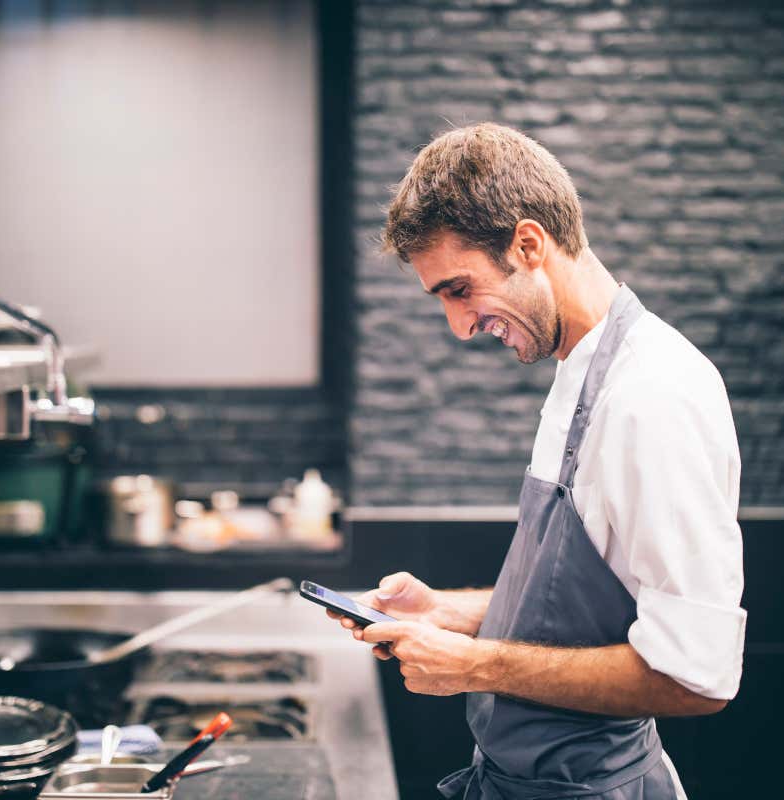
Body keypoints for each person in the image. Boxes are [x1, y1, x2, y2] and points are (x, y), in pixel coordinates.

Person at [327, 123, 746, 799]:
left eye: (460, 291)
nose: (459, 327)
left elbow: (697, 676)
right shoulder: (578, 373)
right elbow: (582, 607)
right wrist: (447, 615)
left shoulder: (654, 397)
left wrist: (476, 663)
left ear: (529, 243)